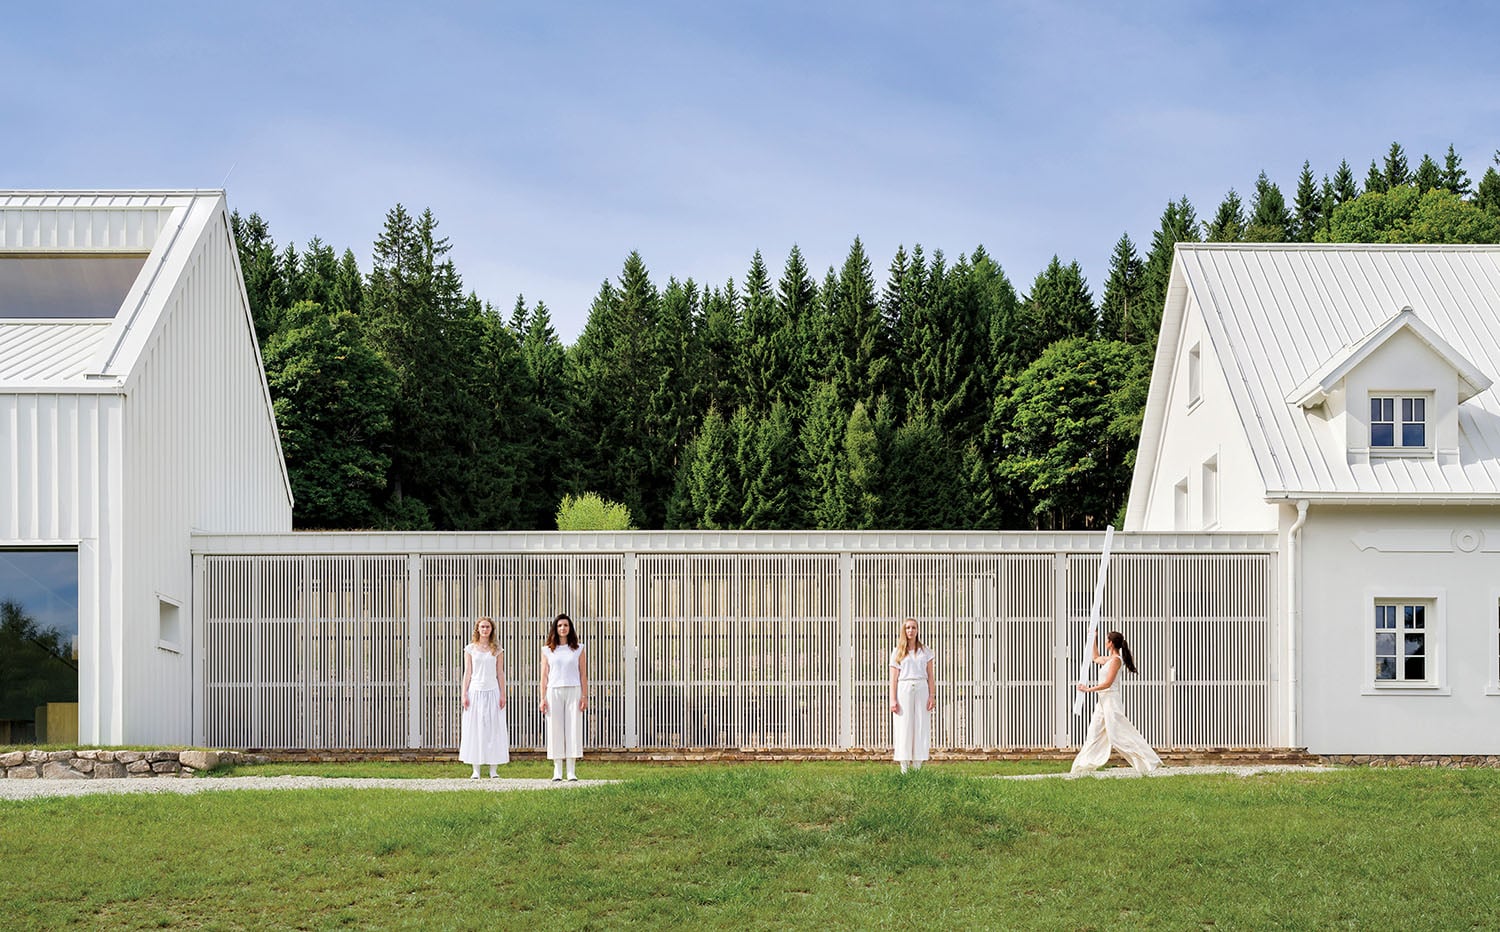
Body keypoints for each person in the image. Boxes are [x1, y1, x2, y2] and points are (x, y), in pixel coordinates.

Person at [1071, 630, 1162, 775]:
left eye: (1106, 640)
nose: (1105, 642)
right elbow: (1095, 658)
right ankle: (1083, 766)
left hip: (1111, 702)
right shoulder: (1110, 659)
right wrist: (1093, 638)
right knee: (1093, 733)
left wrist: (1088, 689)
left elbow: (1107, 683)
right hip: (1102, 702)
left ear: (1111, 643)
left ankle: (1148, 761)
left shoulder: (1116, 661)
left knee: (1118, 736)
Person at [458, 616, 509, 778]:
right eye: (482, 627)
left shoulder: (497, 649)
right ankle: (476, 769)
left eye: (487, 627)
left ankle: (494, 770)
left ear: (491, 629)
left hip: (492, 691)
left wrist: (503, 694)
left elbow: (500, 673)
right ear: (478, 629)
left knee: (493, 729)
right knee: (476, 729)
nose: (485, 630)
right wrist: (464, 693)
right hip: (475, 692)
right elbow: (468, 672)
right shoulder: (470, 649)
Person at [539, 612, 587, 781]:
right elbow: (544, 675)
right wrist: (542, 698)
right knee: (555, 729)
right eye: (559, 625)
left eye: (565, 625)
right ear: (555, 628)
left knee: (573, 728)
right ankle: (557, 770)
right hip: (553, 691)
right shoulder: (547, 650)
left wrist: (584, 696)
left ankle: (571, 770)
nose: (563, 628)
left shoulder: (579, 648)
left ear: (570, 628)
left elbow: (583, 674)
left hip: (573, 690)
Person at [889, 617, 935, 773]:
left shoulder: (925, 651)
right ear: (904, 630)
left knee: (921, 725)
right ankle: (904, 767)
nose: (911, 630)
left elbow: (930, 675)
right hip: (904, 688)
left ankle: (917, 766)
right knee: (904, 726)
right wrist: (893, 699)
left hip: (922, 687)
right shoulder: (897, 651)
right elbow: (893, 678)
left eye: (913, 627)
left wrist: (932, 695)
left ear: (917, 630)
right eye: (908, 628)